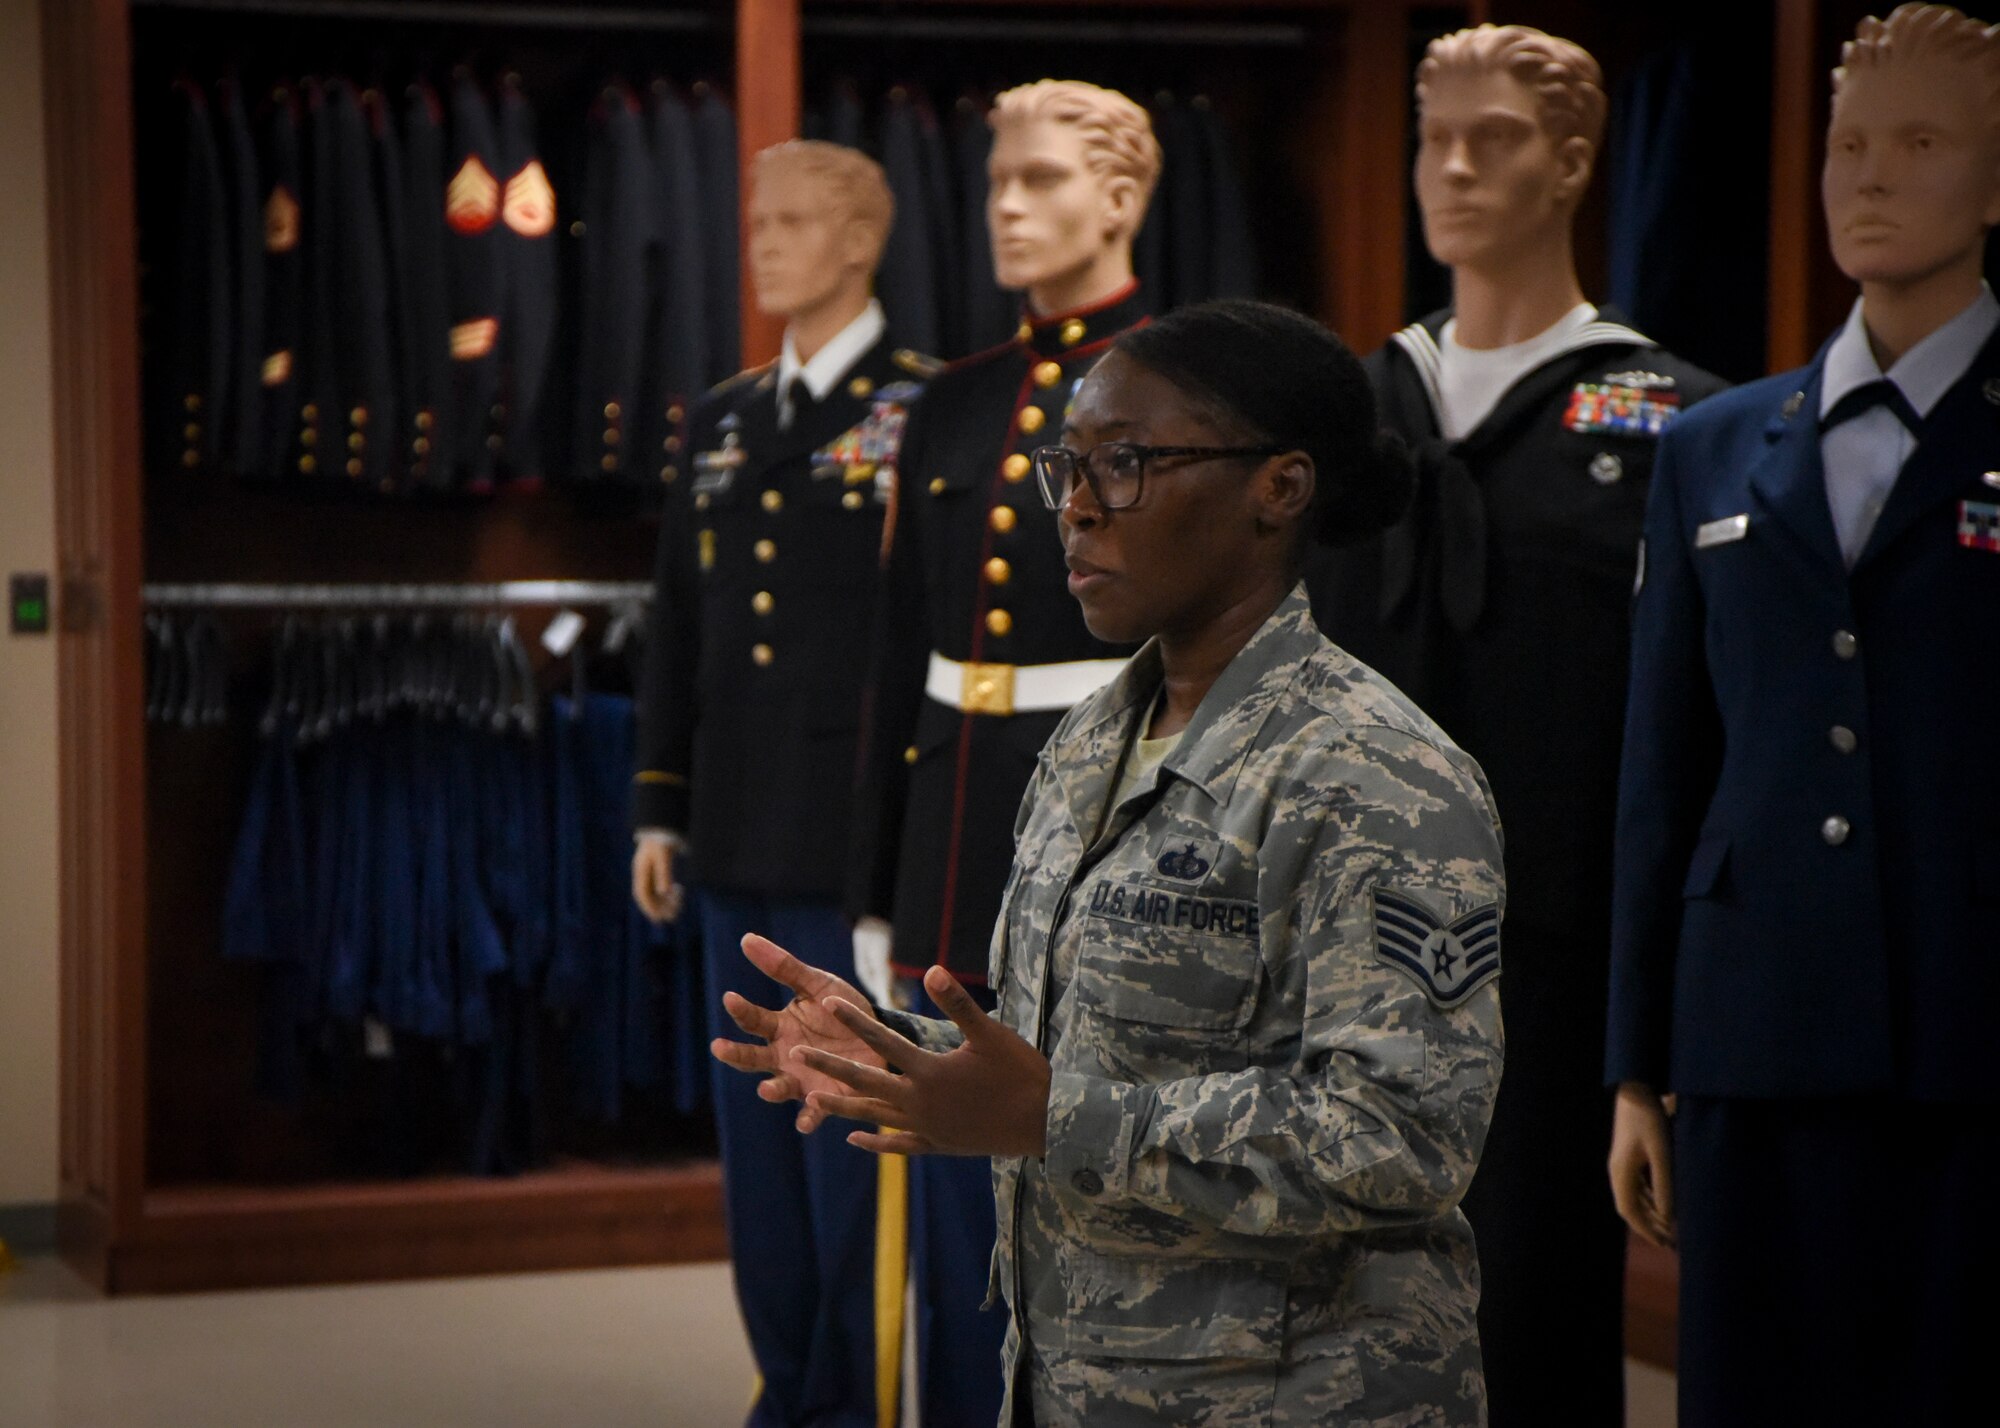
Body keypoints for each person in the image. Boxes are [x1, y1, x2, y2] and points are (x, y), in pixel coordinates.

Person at [719, 300, 1507, 1426]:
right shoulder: (1092, 736)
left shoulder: (1374, 772)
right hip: (1077, 1384)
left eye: (1126, 466)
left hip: (1296, 1398)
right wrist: (901, 1053)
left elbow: (1402, 1138)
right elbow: (1082, 1053)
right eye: (1067, 469)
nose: (1076, 509)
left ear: (1276, 489)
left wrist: (1052, 1122)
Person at [1303, 28, 1727, 1424]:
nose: (1458, 165)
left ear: (1576, 160)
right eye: (1436, 137)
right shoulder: (1347, 413)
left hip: (1548, 954)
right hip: (1334, 940)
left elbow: (1688, 730)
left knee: (1532, 1312)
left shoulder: (1679, 422)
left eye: (1496, 135)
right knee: (1324, 1308)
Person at [1605, 7, 2000, 1424]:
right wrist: (1636, 1064)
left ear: (1998, 184)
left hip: (1973, 1032)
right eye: (1845, 145)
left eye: (1921, 141)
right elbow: (1666, 760)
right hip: (1752, 1030)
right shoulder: (1713, 440)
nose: (1869, 177)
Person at [844, 79, 1161, 1427]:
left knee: (1103, 1207)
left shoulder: (1191, 376)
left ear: (1123, 194)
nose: (1010, 207)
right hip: (950, 849)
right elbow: (899, 658)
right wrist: (874, 882)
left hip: (1112, 837)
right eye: (996, 183)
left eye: (1041, 178)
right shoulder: (953, 401)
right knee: (955, 1231)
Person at [630, 140, 931, 1428]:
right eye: (755, 219)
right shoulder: (723, 415)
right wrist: (658, 802)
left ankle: (852, 1404)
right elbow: (677, 622)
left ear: (860, 240)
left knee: (848, 1153)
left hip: (846, 848)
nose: (761, 241)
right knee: (756, 1160)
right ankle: (786, 1391)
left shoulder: (922, 408)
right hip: (736, 835)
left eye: (791, 220)